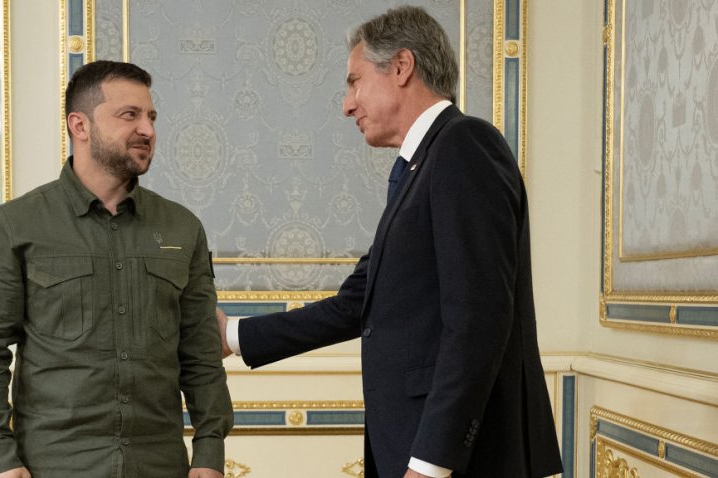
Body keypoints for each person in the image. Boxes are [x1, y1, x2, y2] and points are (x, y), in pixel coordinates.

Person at [216, 6, 562, 478]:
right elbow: (356, 304)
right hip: (417, 446)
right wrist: (234, 335)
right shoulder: (421, 169)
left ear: (401, 67)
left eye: (354, 81)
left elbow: (479, 322)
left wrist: (432, 462)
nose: (347, 104)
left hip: (460, 460)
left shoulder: (465, 146)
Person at [0, 60, 233, 478]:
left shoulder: (182, 227)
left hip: (160, 465)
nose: (147, 129)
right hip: (54, 465)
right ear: (80, 126)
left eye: (151, 116)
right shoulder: (17, 224)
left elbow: (200, 350)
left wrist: (210, 452)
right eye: (130, 115)